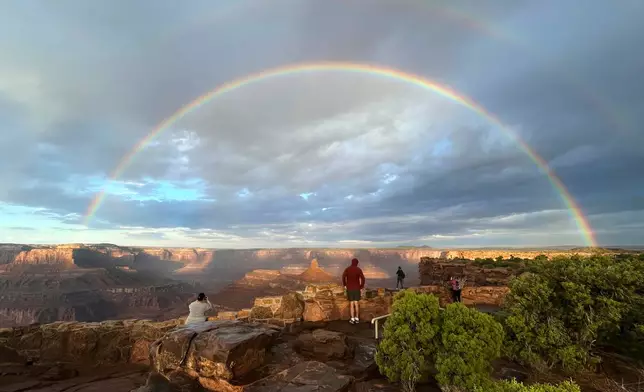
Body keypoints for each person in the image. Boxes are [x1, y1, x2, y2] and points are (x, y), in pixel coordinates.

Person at [342, 258, 365, 325]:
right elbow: (363, 279)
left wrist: (345, 285)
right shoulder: (358, 269)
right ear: (357, 263)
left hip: (350, 288)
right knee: (356, 304)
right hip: (357, 288)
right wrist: (361, 286)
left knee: (351, 304)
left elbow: (343, 277)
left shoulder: (347, 269)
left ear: (351, 262)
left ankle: (352, 319)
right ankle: (357, 318)